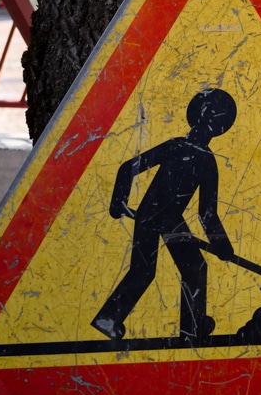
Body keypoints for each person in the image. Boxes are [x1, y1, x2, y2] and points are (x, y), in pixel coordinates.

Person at [91, 88, 236, 341]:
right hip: (158, 216)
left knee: (176, 268)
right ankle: (187, 328)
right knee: (165, 269)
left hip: (161, 216)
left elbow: (206, 212)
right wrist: (118, 203)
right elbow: (128, 169)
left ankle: (189, 327)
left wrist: (222, 245)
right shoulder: (194, 154)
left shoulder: (188, 152)